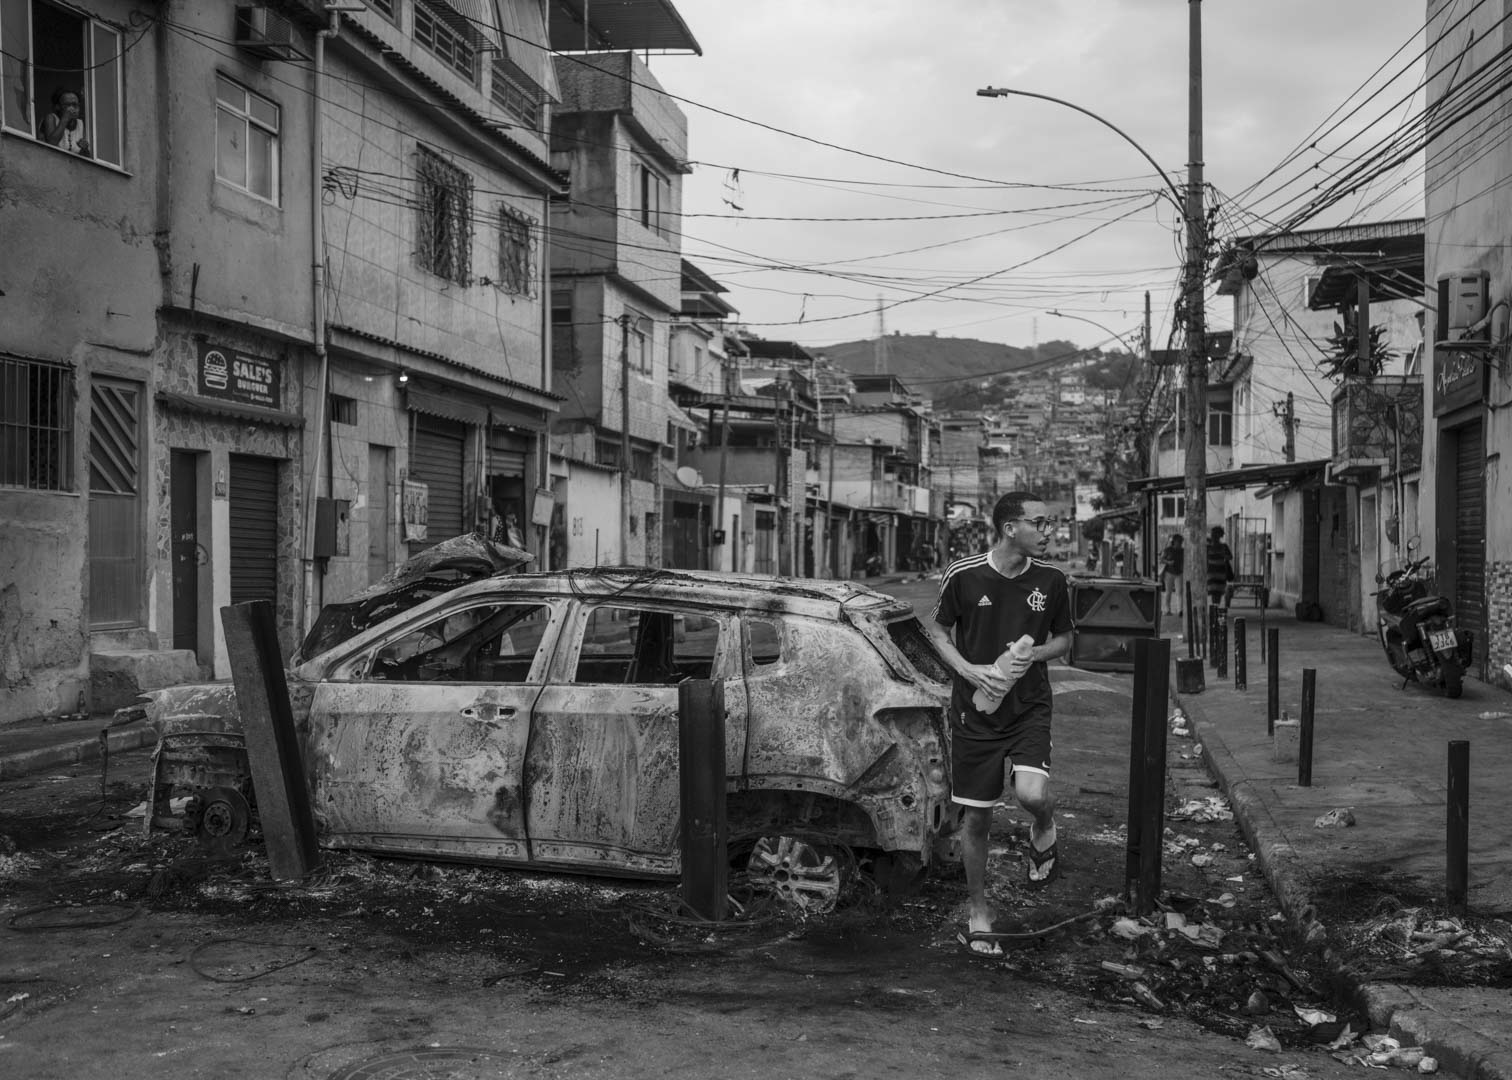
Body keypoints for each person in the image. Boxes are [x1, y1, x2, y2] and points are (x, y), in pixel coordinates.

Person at [923, 491, 1074, 956]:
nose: (1049, 533)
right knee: (978, 819)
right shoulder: (963, 575)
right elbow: (937, 632)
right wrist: (969, 671)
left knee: (1031, 794)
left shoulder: (1052, 580)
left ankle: (1044, 824)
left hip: (1028, 706)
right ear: (1011, 528)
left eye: (1051, 524)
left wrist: (1034, 654)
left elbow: (1065, 639)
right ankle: (978, 911)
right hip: (975, 713)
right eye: (1041, 524)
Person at [41, 87, 91, 156]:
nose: (72, 108)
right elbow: (51, 144)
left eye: (75, 105)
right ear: (57, 107)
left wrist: (84, 148)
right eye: (67, 105)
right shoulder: (51, 118)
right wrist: (65, 119)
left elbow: (87, 157)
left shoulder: (81, 124)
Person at [1206, 525, 1235, 611]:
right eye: (1213, 534)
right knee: (1215, 592)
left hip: (1219, 573)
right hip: (1213, 573)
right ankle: (1215, 608)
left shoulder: (1223, 546)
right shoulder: (1208, 547)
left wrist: (1223, 556)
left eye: (1215, 535)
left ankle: (1215, 608)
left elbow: (1230, 557)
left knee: (1217, 593)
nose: (1214, 536)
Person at [1160, 534, 1185, 615]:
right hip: (1169, 573)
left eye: (1181, 542)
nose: (1180, 543)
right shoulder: (1168, 550)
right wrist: (1168, 562)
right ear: (1174, 541)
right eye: (1179, 541)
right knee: (1168, 591)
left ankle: (1180, 610)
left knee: (1180, 591)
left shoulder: (1183, 551)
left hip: (1179, 573)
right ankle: (1167, 610)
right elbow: (1161, 560)